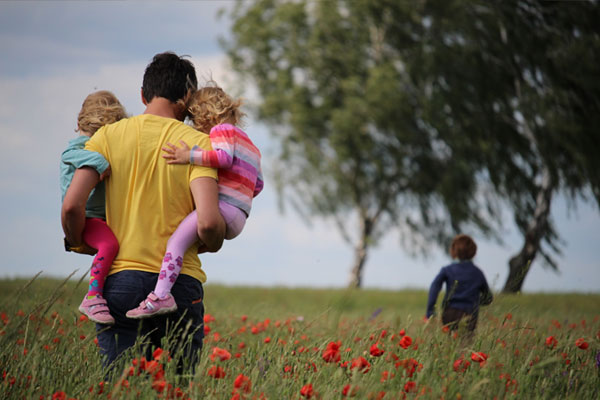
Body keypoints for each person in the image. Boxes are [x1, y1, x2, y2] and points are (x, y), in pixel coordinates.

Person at [61, 52, 225, 371]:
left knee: (122, 385)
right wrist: (215, 239)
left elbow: (71, 205)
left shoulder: (106, 137)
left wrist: (78, 239)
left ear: (142, 95)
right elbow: (207, 222)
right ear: (188, 97)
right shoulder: (198, 145)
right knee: (177, 388)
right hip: (179, 285)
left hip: (119, 281)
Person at [126, 83, 264, 319]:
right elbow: (258, 185)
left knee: (175, 243)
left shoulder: (221, 131)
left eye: (195, 120)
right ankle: (168, 283)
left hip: (223, 209)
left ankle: (160, 296)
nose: (195, 127)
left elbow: (222, 157)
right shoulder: (251, 145)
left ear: (207, 115)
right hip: (240, 215)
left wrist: (188, 156)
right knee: (187, 245)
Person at [60, 90, 127, 325]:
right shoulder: (80, 147)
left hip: (100, 217)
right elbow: (71, 155)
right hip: (87, 217)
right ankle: (93, 296)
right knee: (109, 244)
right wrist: (100, 162)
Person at [425, 234, 493, 333]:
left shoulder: (447, 270)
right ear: (473, 252)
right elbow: (488, 298)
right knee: (466, 344)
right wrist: (475, 303)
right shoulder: (478, 273)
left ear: (453, 251)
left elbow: (434, 288)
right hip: (470, 314)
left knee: (450, 342)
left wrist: (430, 312)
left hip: (450, 313)